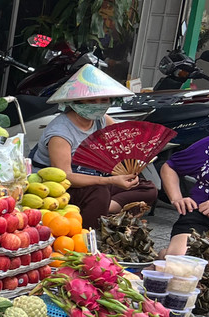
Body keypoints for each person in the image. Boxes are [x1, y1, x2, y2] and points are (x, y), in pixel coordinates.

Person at [30, 63, 157, 229]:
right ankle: (87, 235)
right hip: (59, 188)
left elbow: (121, 140)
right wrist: (109, 180)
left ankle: (105, 207)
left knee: (147, 188)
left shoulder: (101, 119)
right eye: (92, 100)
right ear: (76, 101)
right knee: (99, 191)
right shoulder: (60, 133)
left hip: (93, 179)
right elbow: (65, 176)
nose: (98, 104)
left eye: (103, 100)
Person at [160, 108, 209, 255]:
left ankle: (165, 255)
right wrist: (176, 198)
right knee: (181, 264)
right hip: (201, 219)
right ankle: (170, 254)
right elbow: (170, 167)